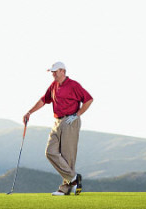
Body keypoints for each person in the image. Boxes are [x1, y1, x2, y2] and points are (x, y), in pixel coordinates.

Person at [23, 61, 93, 196]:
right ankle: (74, 178)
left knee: (68, 156)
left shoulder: (74, 85)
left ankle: (65, 188)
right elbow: (44, 100)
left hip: (70, 121)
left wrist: (77, 114)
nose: (53, 74)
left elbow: (88, 99)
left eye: (55, 71)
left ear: (63, 71)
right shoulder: (54, 85)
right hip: (57, 121)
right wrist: (29, 112)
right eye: (52, 72)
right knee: (50, 151)